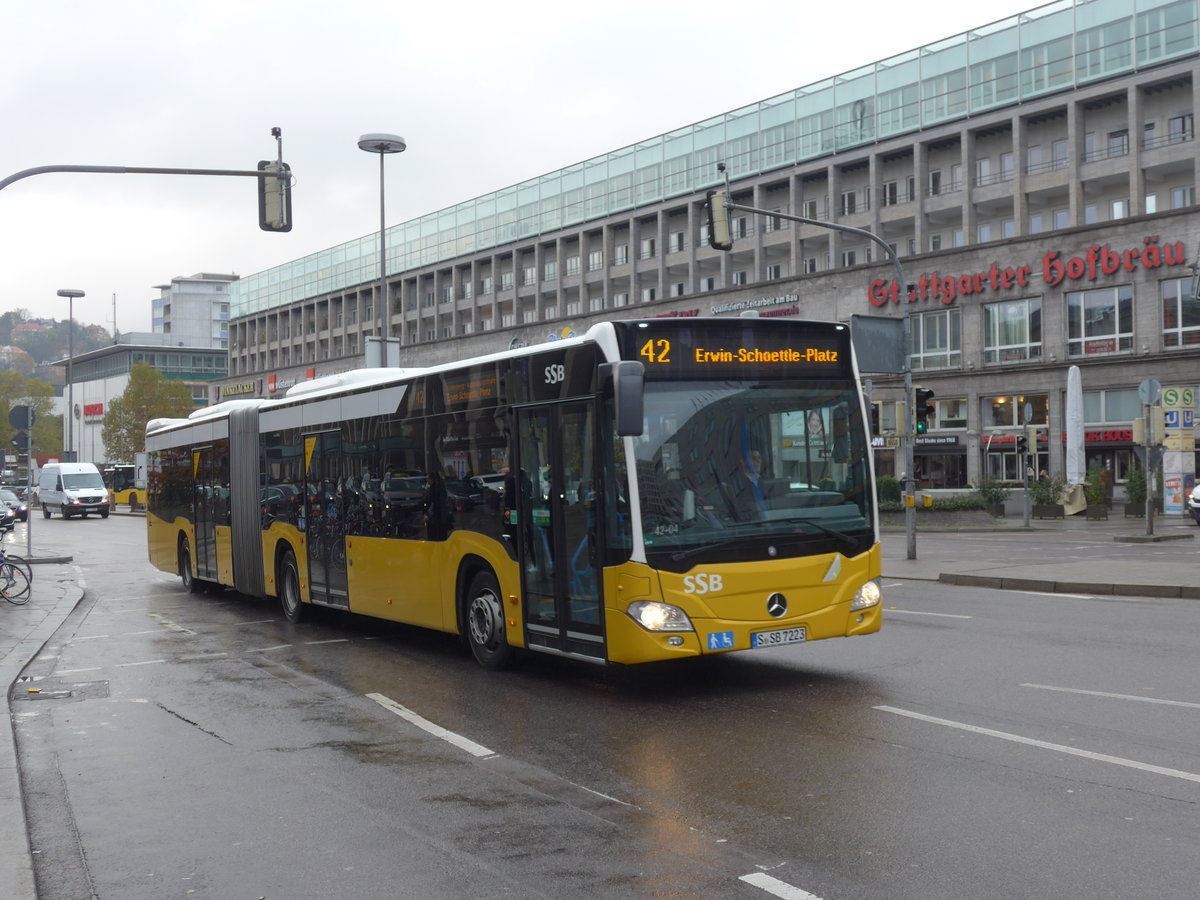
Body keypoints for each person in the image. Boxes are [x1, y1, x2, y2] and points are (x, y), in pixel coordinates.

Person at [422, 470, 454, 540]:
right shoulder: (434, 488)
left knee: (436, 536)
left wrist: (426, 513)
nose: (427, 480)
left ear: (432, 479)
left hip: (436, 519)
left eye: (428, 478)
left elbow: (430, 503)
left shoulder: (435, 490)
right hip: (438, 519)